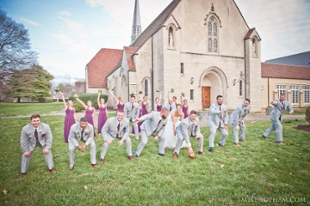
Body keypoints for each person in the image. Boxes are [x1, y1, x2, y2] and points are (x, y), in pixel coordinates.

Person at [18, 114, 56, 178]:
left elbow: (49, 138)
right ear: (31, 121)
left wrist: (47, 148)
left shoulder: (46, 127)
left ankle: (51, 168)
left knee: (48, 152)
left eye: (37, 120)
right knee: (25, 155)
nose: (36, 122)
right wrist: (25, 150)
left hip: (42, 142)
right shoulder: (25, 129)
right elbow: (23, 140)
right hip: (31, 142)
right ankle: (23, 172)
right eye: (34, 121)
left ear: (40, 120)